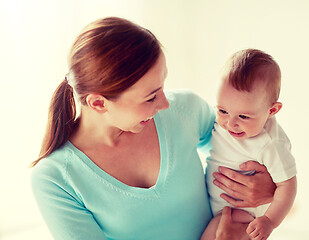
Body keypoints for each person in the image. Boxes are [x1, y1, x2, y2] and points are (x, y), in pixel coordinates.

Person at [31, 17, 276, 240]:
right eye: (150, 98)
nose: (165, 103)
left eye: (162, 86)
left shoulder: (185, 111)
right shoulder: (55, 179)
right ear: (98, 103)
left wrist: (270, 187)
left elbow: (254, 145)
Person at [201, 49, 297, 240]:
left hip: (242, 217)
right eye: (222, 110)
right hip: (217, 207)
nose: (230, 123)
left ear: (272, 110)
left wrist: (269, 221)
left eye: (243, 116)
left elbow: (288, 186)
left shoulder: (270, 144)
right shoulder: (221, 121)